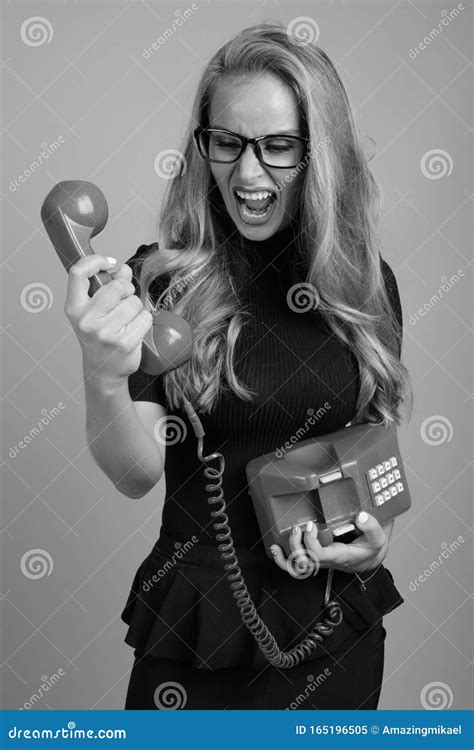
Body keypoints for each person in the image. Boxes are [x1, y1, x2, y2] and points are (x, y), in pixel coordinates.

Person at [65, 22, 412, 710]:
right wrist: (103, 370)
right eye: (227, 142)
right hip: (197, 630)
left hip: (332, 630)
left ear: (322, 155)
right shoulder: (159, 283)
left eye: (278, 146)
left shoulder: (366, 285)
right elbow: (136, 474)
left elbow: (370, 448)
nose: (248, 174)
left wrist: (372, 542)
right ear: (204, 146)